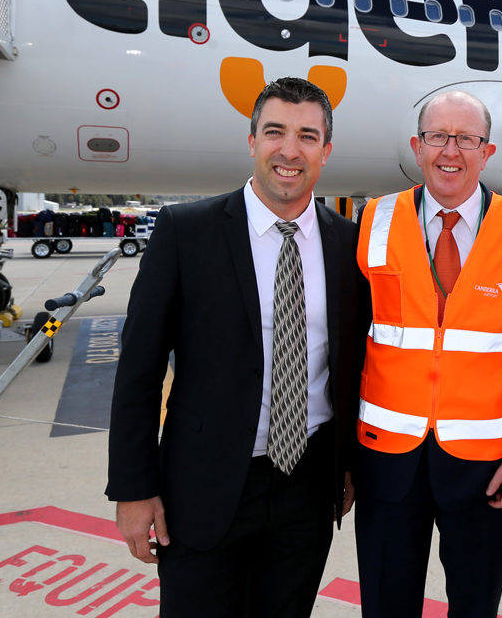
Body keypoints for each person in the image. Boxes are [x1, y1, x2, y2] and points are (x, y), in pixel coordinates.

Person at [106, 77, 360, 618]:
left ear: (326, 150)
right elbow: (138, 370)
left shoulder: (348, 243)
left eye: (307, 136)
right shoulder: (186, 231)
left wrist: (347, 464)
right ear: (251, 141)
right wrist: (133, 489)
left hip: (307, 488)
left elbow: (352, 366)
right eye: (275, 132)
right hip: (204, 486)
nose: (290, 150)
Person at [353, 90, 502, 618]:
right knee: (385, 602)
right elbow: (350, 343)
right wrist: (345, 460)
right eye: (440, 137)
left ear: (487, 152)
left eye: (466, 138)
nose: (452, 151)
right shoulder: (372, 222)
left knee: (475, 603)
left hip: (487, 466)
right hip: (385, 459)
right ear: (418, 148)